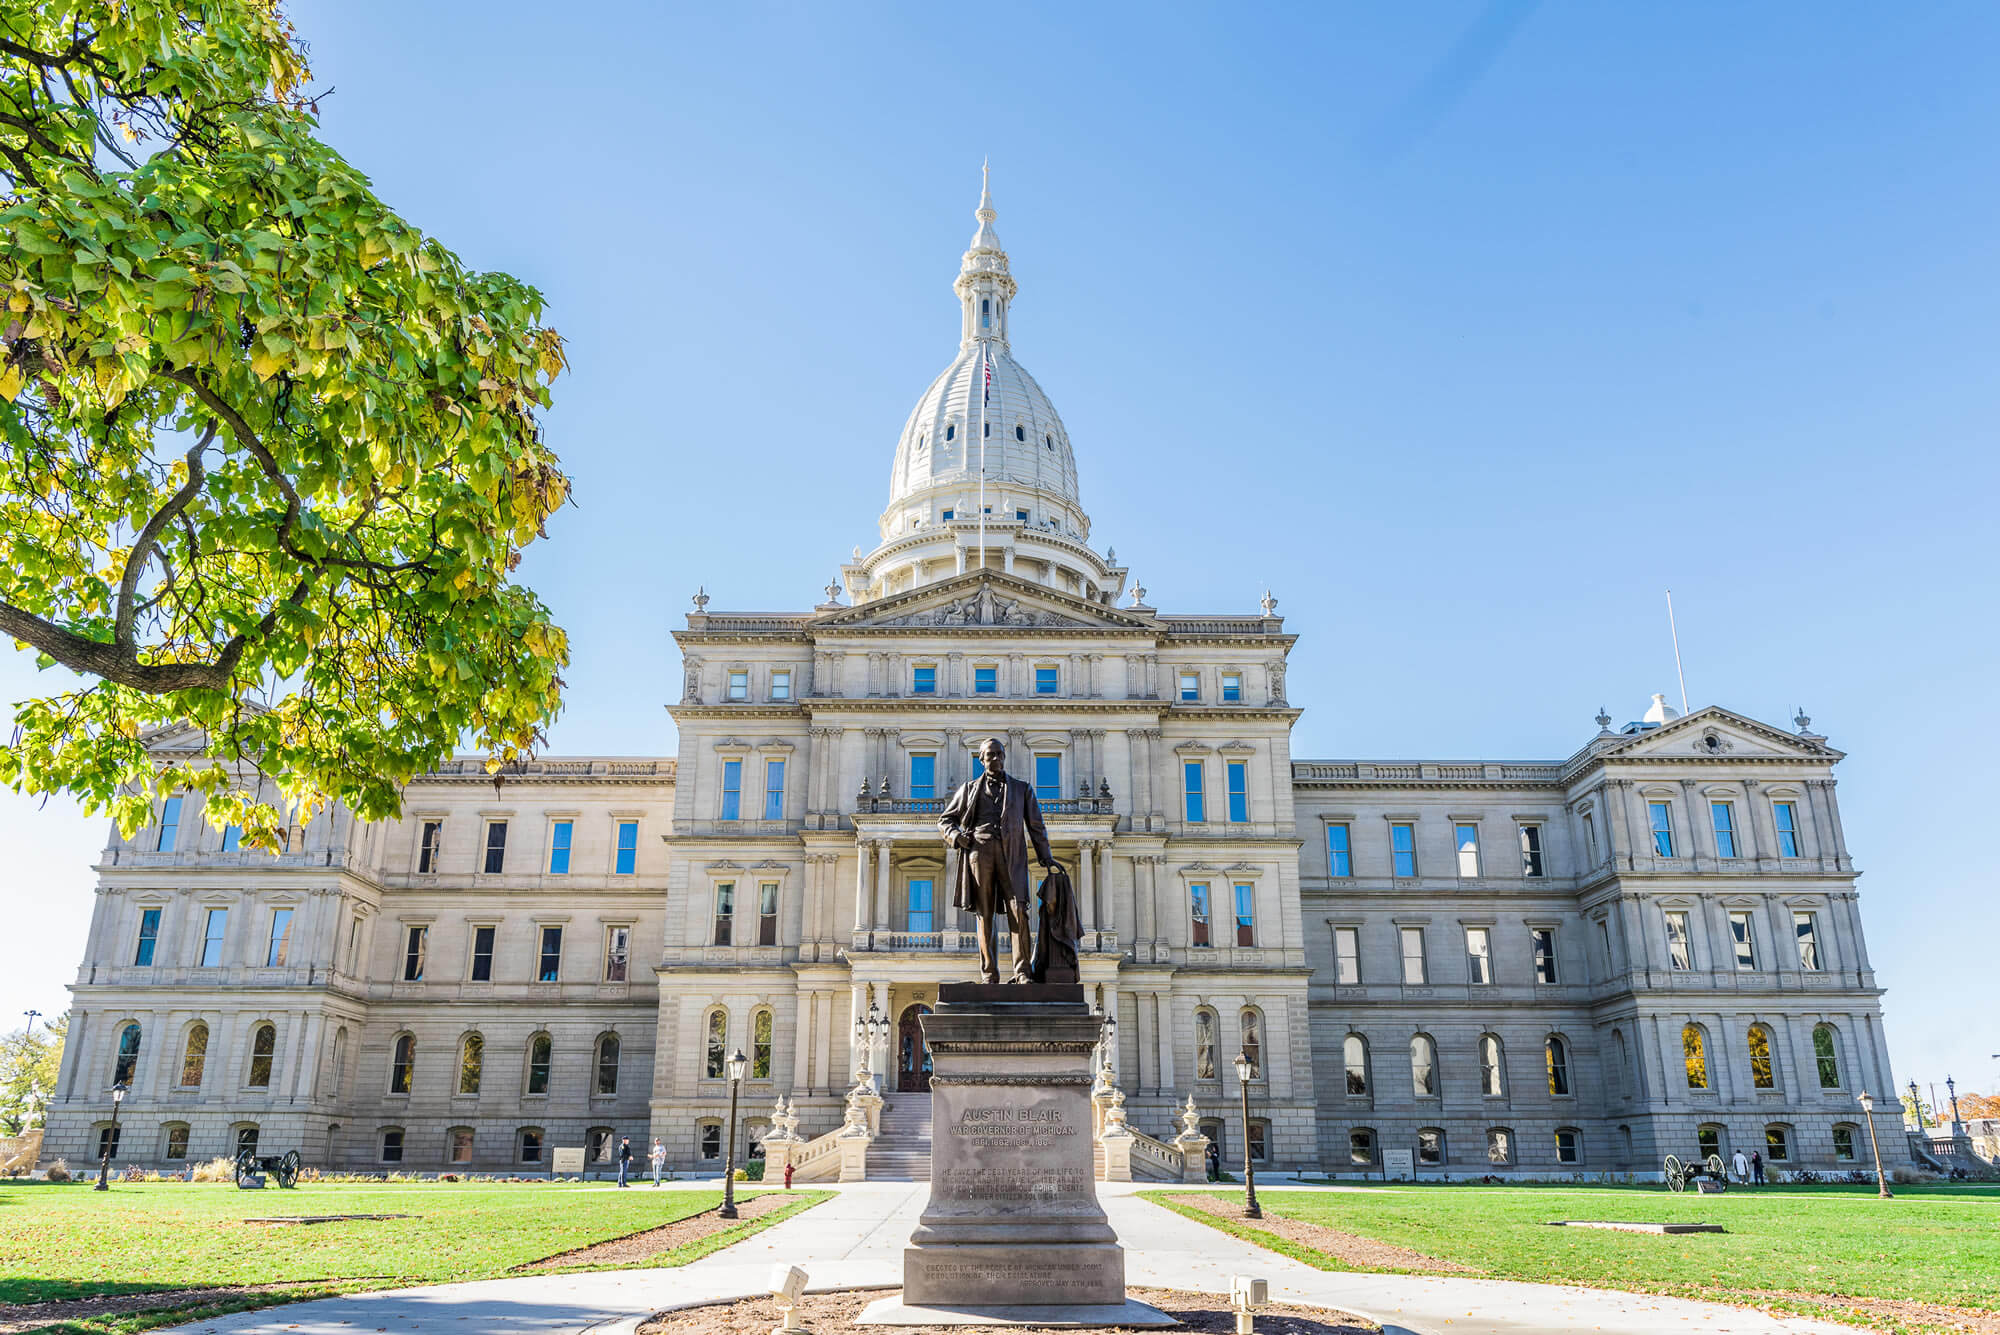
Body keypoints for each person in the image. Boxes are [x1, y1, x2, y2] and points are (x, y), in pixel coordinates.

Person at [938, 737, 1055, 984]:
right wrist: (957, 837)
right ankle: (989, 974)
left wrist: (1046, 857)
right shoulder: (969, 789)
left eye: (1000, 754)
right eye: (990, 754)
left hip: (1013, 855)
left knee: (1019, 911)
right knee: (985, 914)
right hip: (979, 854)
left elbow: (1036, 826)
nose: (996, 758)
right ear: (981, 759)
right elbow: (945, 820)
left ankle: (1023, 972)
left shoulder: (1022, 789)